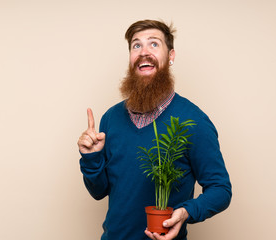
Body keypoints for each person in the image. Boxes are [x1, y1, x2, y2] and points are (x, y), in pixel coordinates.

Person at [78, 19, 232, 240]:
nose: (143, 52)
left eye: (154, 44)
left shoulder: (193, 121)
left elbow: (220, 189)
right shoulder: (110, 119)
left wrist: (186, 211)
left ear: (171, 56)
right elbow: (99, 191)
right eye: (136, 45)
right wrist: (91, 158)